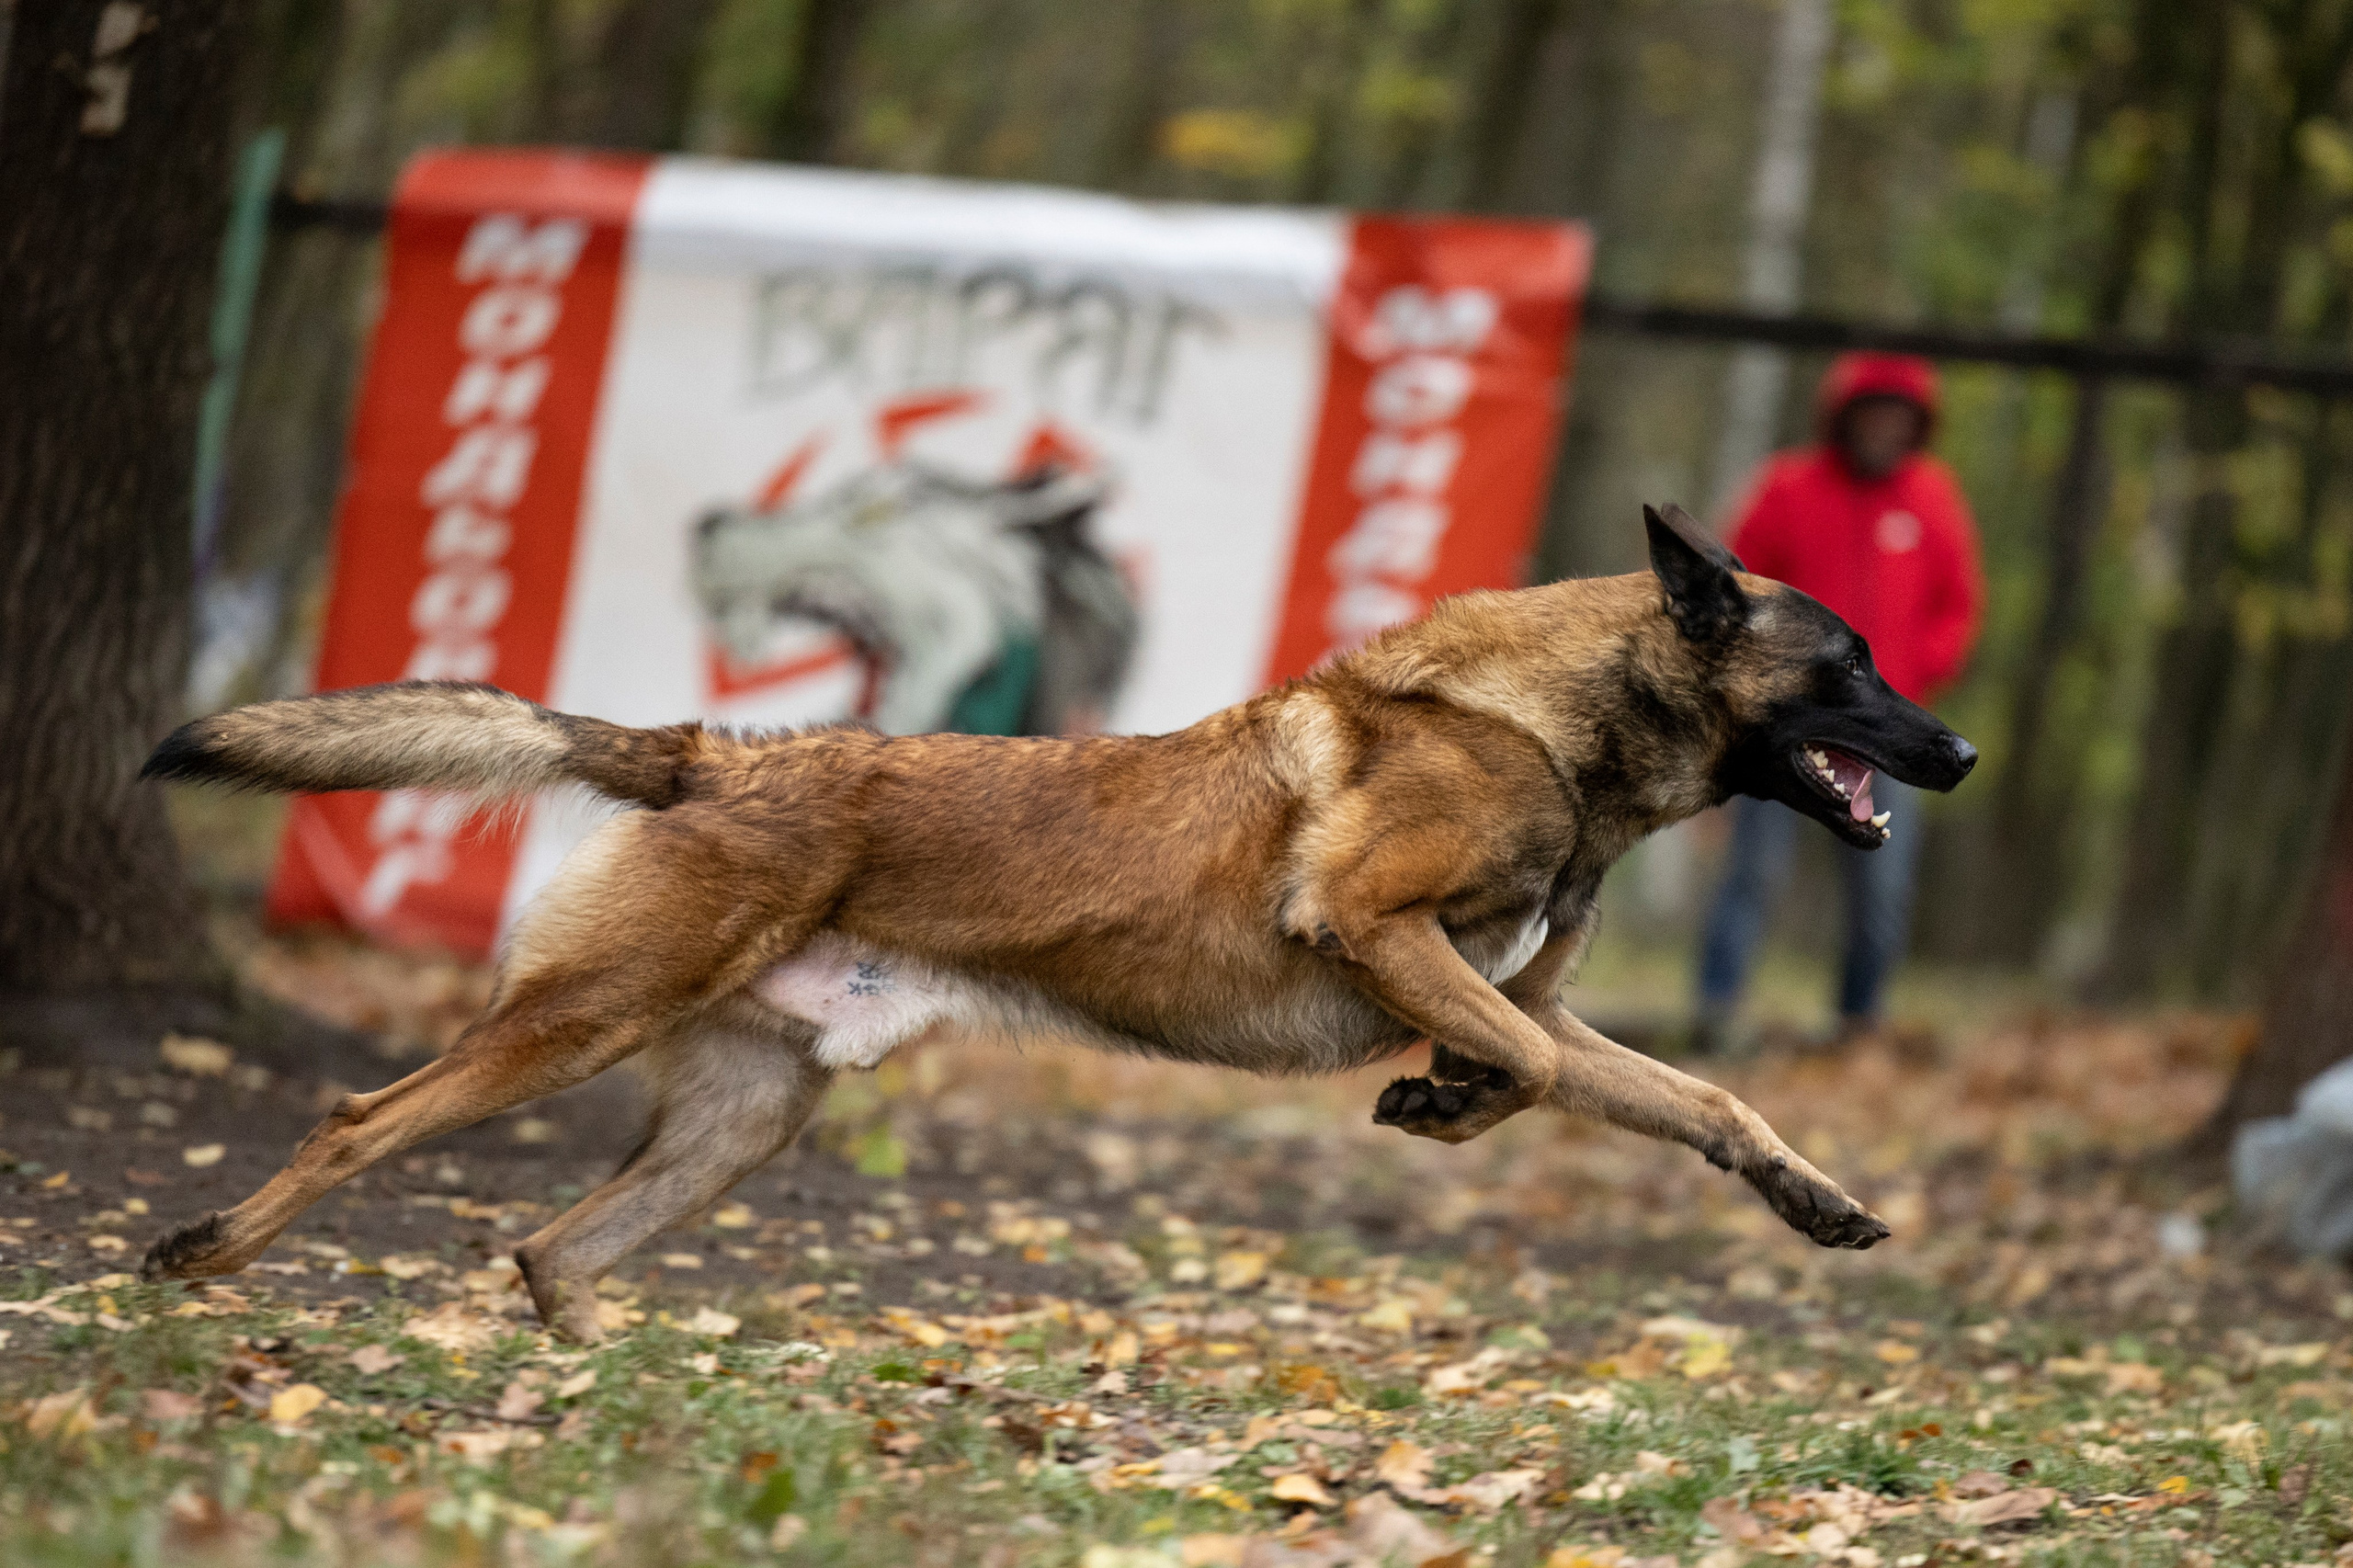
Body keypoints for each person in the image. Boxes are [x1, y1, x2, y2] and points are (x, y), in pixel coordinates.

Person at [1692, 352, 1985, 1052]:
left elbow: (1959, 605)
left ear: (1918, 425)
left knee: (1881, 887)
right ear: (1843, 416)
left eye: (1899, 415)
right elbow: (1730, 588)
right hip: (1784, 727)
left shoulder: (1933, 499)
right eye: (1872, 412)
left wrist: (1915, 676)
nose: (1884, 427)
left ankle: (1859, 1025)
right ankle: (1715, 1013)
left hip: (1885, 729)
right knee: (1753, 874)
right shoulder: (1787, 488)